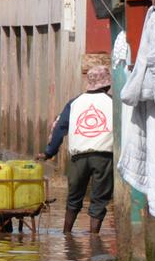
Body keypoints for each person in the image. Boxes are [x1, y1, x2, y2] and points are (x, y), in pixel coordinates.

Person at [37, 65, 114, 235]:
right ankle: (94, 237)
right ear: (107, 85)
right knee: (99, 199)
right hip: (104, 156)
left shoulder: (75, 102)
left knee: (74, 197)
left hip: (78, 157)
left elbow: (59, 128)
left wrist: (50, 152)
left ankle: (67, 234)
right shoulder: (112, 103)